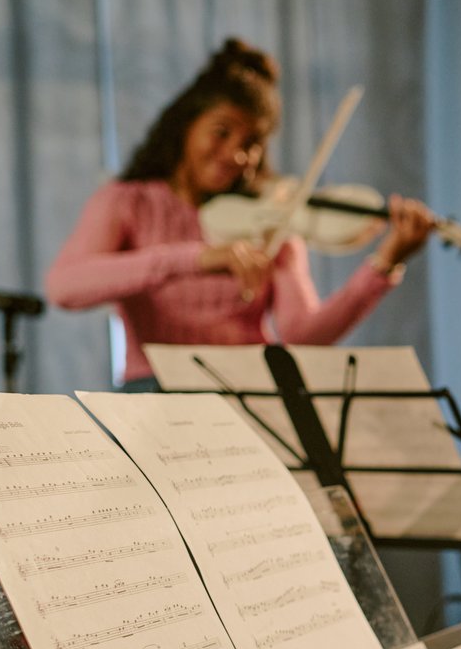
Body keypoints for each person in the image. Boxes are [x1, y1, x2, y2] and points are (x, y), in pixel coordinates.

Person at [45, 37, 434, 391]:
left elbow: (302, 335)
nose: (236, 154)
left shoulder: (269, 219)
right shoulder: (125, 202)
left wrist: (385, 264)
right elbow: (64, 287)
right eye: (221, 132)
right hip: (154, 389)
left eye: (252, 143)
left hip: (251, 391)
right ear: (184, 126)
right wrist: (195, 257)